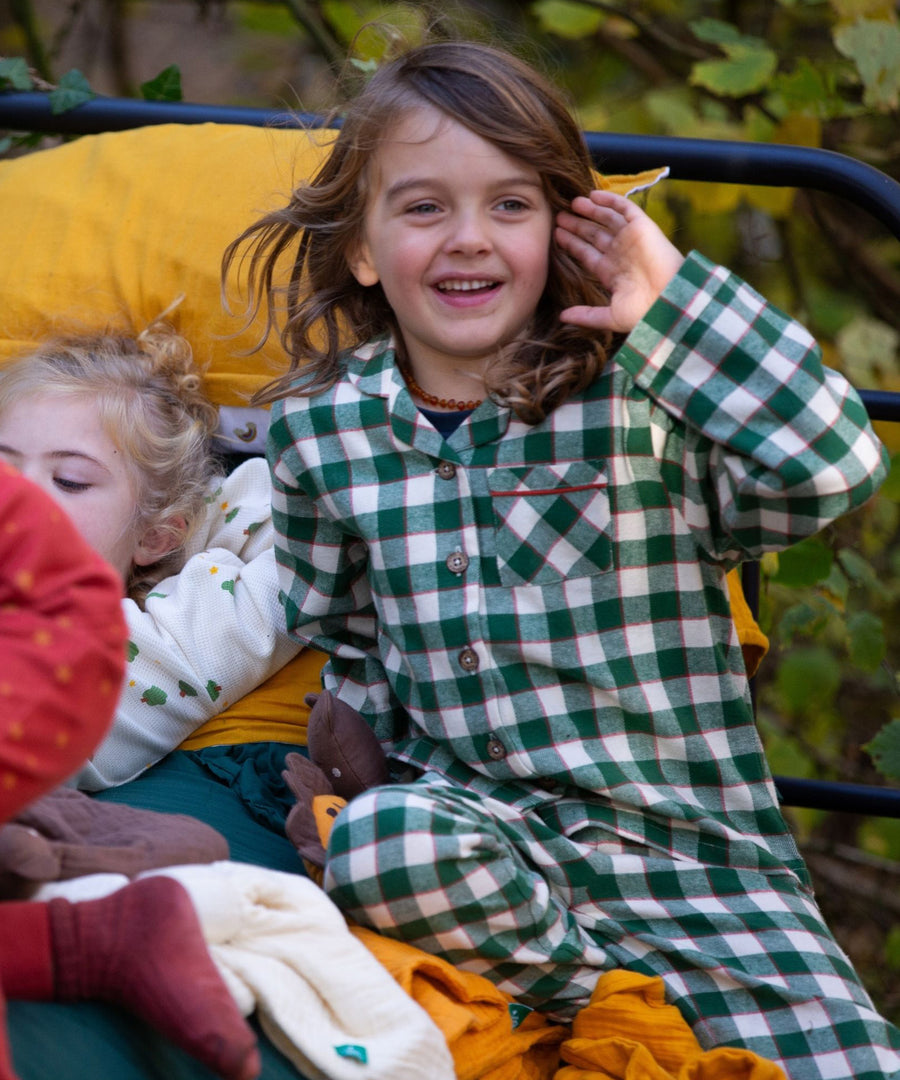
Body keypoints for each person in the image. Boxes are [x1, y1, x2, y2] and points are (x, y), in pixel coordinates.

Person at [224, 39, 900, 1080]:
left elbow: (836, 464)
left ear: (562, 232)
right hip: (480, 842)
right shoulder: (323, 435)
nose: (468, 239)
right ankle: (619, 1014)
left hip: (697, 863)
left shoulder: (642, 401)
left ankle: (643, 1012)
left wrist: (669, 299)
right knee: (382, 846)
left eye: (509, 205)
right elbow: (347, 634)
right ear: (361, 248)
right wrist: (342, 769)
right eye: (422, 208)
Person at [0, 462, 260, 1080]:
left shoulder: (133, 634)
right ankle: (89, 940)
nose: (31, 492)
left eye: (70, 479)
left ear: (158, 535)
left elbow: (285, 530)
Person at [0, 328, 310, 793]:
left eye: (70, 480)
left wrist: (192, 526)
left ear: (156, 536)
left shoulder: (162, 648)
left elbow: (308, 523)